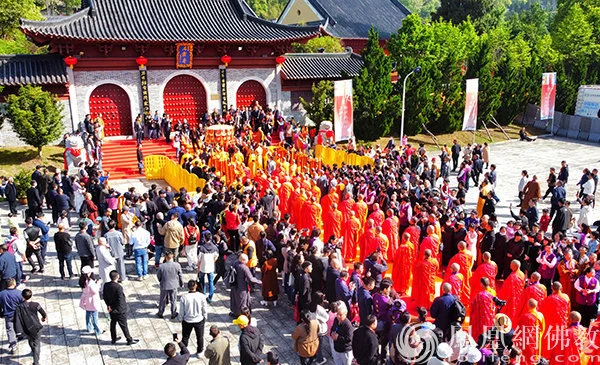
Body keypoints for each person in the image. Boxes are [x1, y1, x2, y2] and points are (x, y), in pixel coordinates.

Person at [103, 270, 138, 345]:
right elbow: (120, 300)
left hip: (111, 308)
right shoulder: (118, 287)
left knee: (113, 324)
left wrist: (108, 305)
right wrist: (122, 310)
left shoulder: (106, 285)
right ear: (117, 277)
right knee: (124, 325)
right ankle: (129, 339)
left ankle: (113, 338)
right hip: (119, 310)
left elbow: (105, 296)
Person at [13, 288, 46, 365]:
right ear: (31, 295)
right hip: (37, 327)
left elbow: (17, 319)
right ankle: (36, 362)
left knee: (30, 340)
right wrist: (43, 318)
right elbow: (43, 313)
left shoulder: (19, 307)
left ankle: (32, 350)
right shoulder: (36, 305)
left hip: (27, 328)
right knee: (37, 344)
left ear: (22, 297)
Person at [178, 280, 208, 355]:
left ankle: (183, 351)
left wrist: (180, 318)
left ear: (188, 287)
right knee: (200, 337)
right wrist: (205, 317)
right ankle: (200, 351)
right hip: (199, 319)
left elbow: (181, 310)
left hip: (187, 320)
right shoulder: (201, 296)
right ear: (196, 286)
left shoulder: (184, 297)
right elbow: (204, 308)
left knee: (185, 337)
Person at [515, 299, 545, 365]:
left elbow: (519, 329)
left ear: (528, 306)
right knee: (535, 356)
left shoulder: (525, 316)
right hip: (536, 338)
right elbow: (543, 328)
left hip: (526, 340)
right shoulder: (540, 315)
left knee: (527, 356)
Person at [157, 251, 184, 319]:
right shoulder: (177, 265)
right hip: (174, 285)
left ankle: (160, 312)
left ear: (166, 257)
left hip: (164, 285)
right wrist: (181, 283)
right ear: (173, 257)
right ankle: (173, 313)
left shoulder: (161, 266)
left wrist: (161, 281)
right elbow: (180, 275)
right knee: (173, 300)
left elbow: (158, 276)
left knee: (162, 300)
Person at [78, 266, 103, 336]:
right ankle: (97, 330)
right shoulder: (91, 282)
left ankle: (89, 328)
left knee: (88, 314)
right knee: (95, 316)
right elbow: (94, 291)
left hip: (86, 300)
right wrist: (98, 283)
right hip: (92, 301)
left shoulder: (82, 280)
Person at [0, 278, 23, 354]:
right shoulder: (19, 293)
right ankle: (20, 334)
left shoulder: (2, 294)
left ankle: (13, 346)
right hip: (18, 314)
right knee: (20, 325)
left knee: (10, 330)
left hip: (8, 315)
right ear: (13, 284)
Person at [197, 231, 218, 303]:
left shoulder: (202, 248)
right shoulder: (214, 248)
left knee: (202, 281)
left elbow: (199, 259)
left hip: (203, 266)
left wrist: (198, 267)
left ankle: (203, 294)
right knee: (211, 282)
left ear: (205, 238)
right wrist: (212, 262)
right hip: (211, 267)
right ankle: (210, 297)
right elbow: (216, 257)